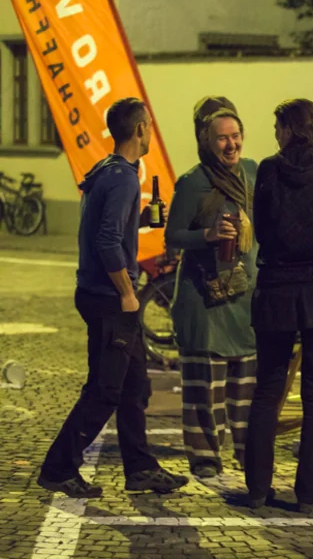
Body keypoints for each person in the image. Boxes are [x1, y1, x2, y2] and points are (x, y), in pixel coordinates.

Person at [38, 98, 188, 498]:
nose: (152, 131)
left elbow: (104, 228)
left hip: (99, 294)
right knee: (105, 390)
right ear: (139, 130)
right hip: (110, 299)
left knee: (135, 386)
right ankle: (58, 468)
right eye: (150, 125)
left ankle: (140, 469)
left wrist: (137, 222)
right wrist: (127, 292)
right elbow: (106, 241)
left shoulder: (107, 170)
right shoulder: (123, 177)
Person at [245, 98, 313, 512]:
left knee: (268, 391)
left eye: (278, 126)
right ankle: (308, 492)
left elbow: (262, 228)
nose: (275, 133)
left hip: (277, 289)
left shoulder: (270, 170)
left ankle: (257, 489)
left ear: (291, 129)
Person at [165, 98, 258, 478]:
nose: (231, 144)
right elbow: (172, 236)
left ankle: (247, 454)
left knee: (246, 388)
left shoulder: (253, 173)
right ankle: (205, 459)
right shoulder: (193, 182)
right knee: (206, 389)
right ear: (207, 141)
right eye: (222, 138)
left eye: (236, 136)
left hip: (245, 296)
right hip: (204, 301)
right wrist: (207, 234)